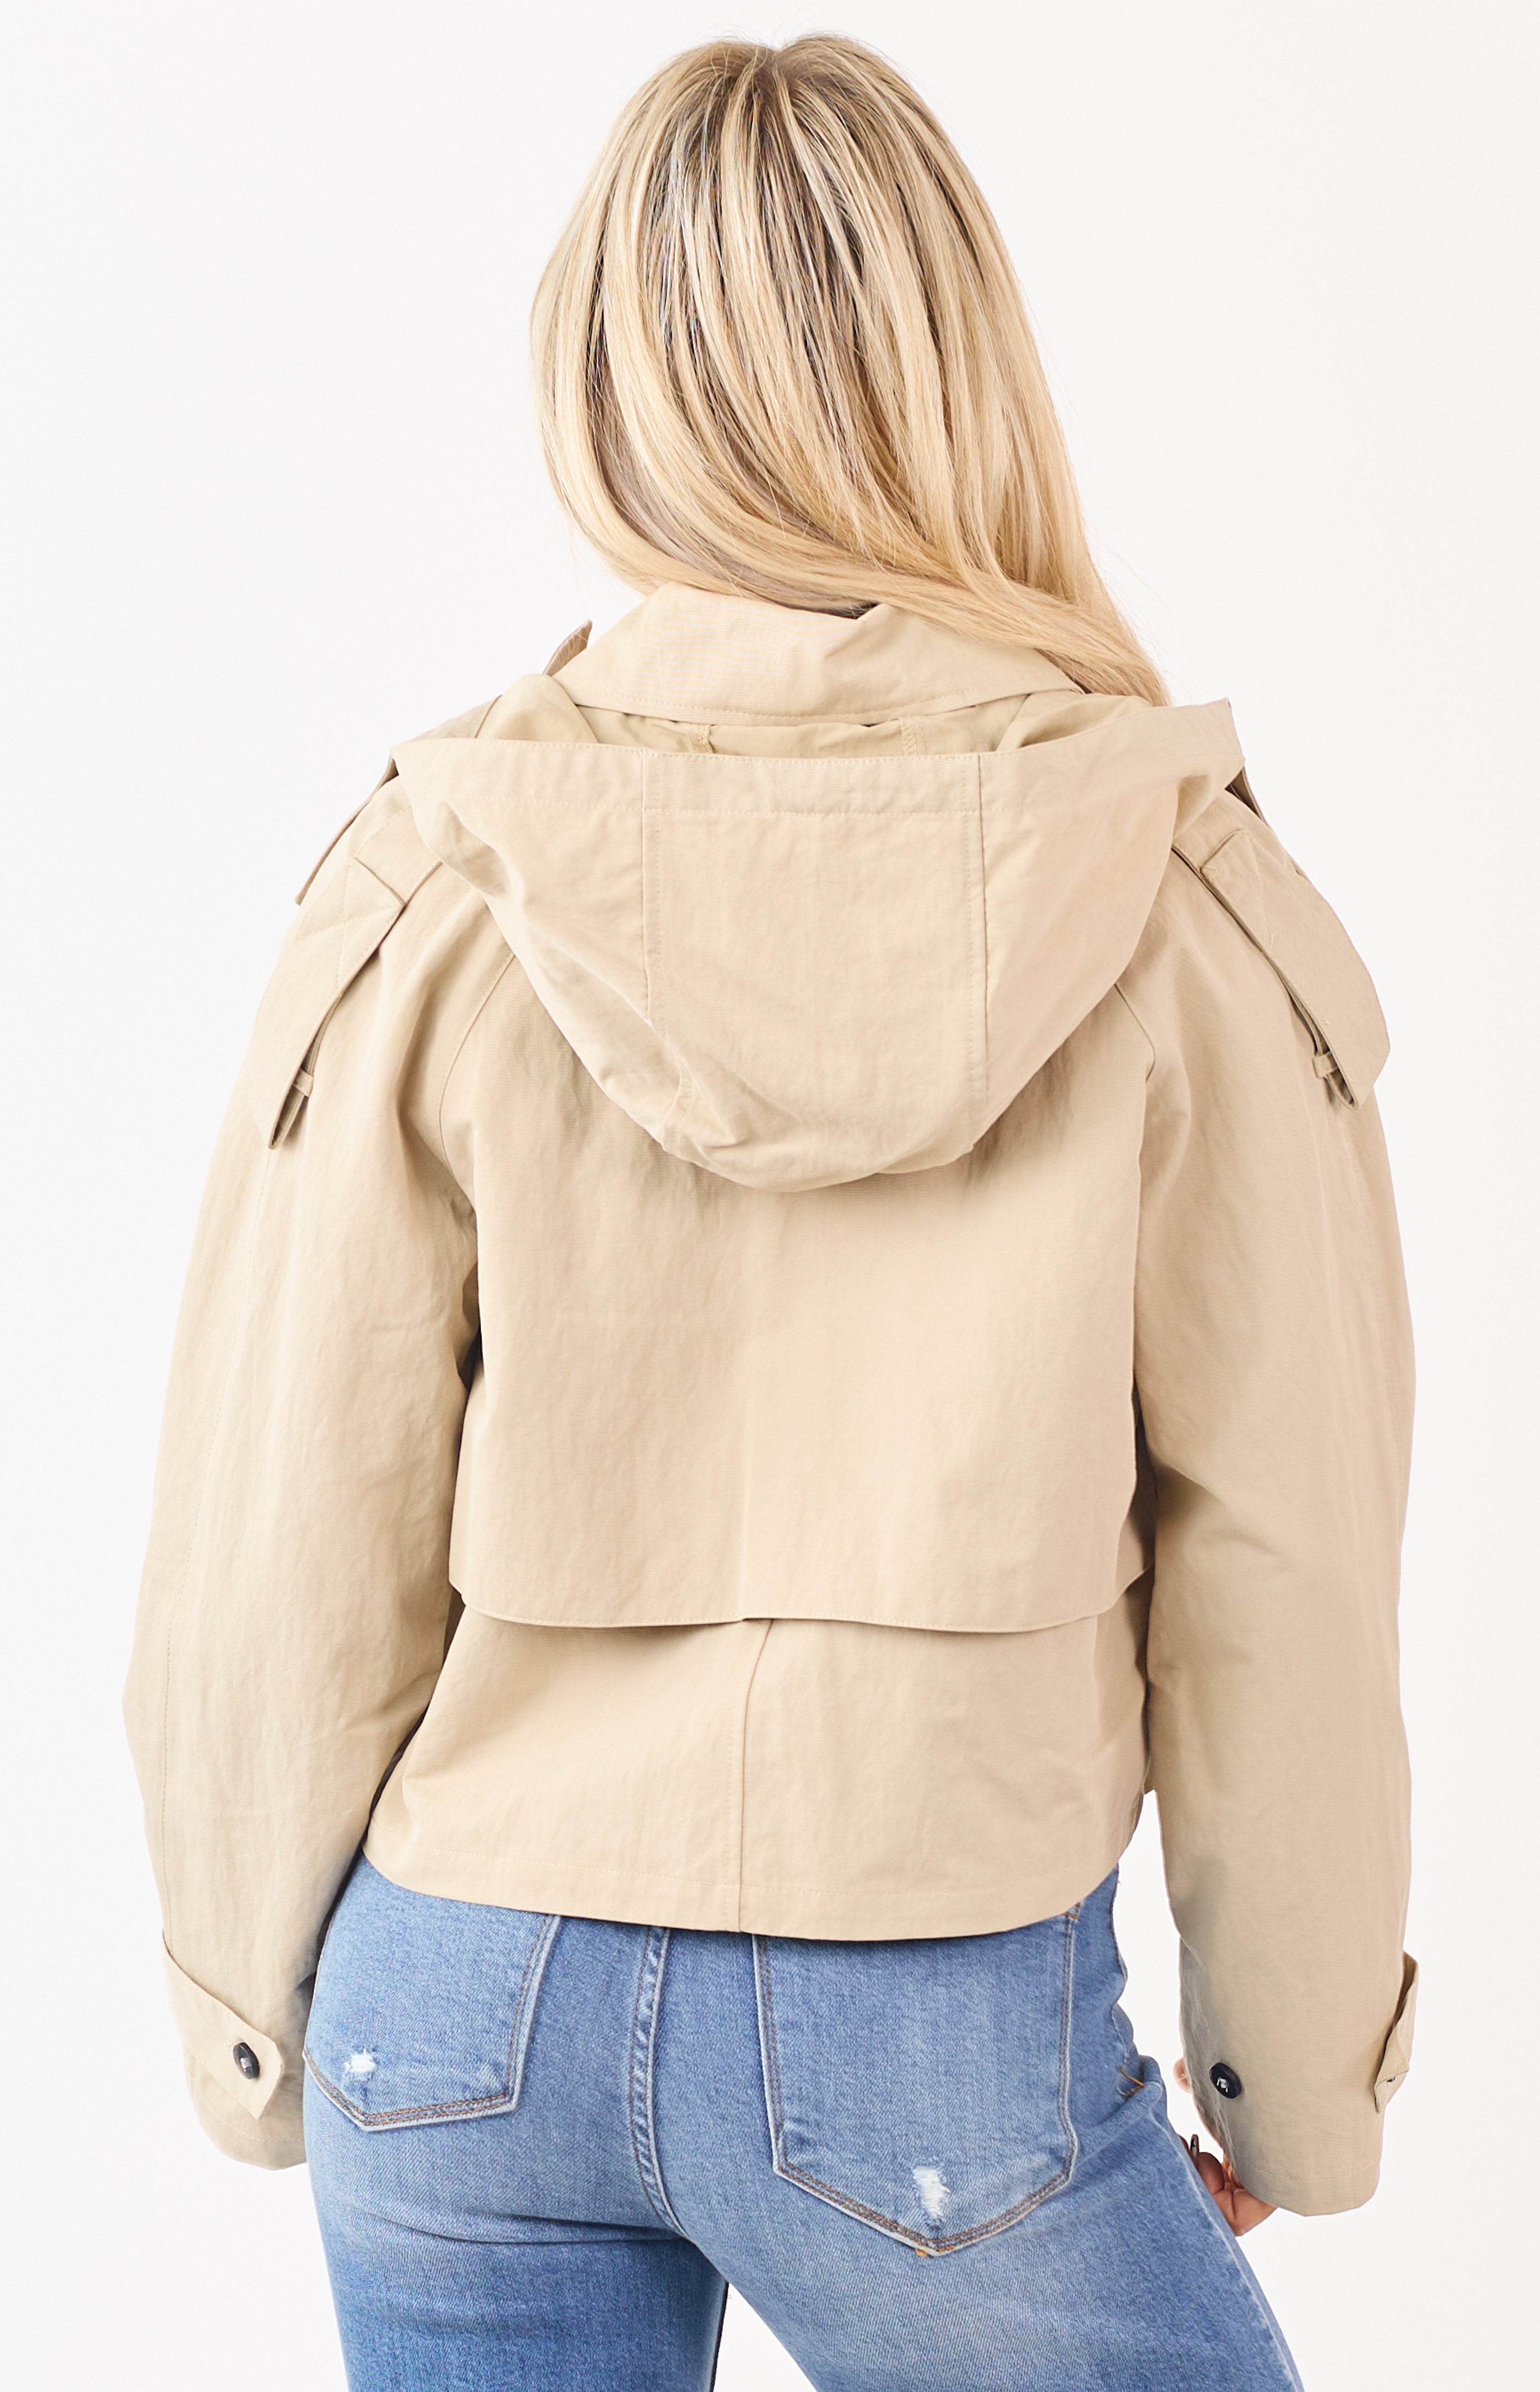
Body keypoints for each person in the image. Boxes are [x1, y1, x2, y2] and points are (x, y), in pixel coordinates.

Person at [125, 34, 1417, 2391]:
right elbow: (1284, 1548)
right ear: (963, 367)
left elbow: (276, 1511)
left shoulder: (436, 874)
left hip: (455, 2009)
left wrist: (247, 2010)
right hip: (928, 2025)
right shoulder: (1171, 894)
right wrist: (1289, 2071)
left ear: (601, 381)